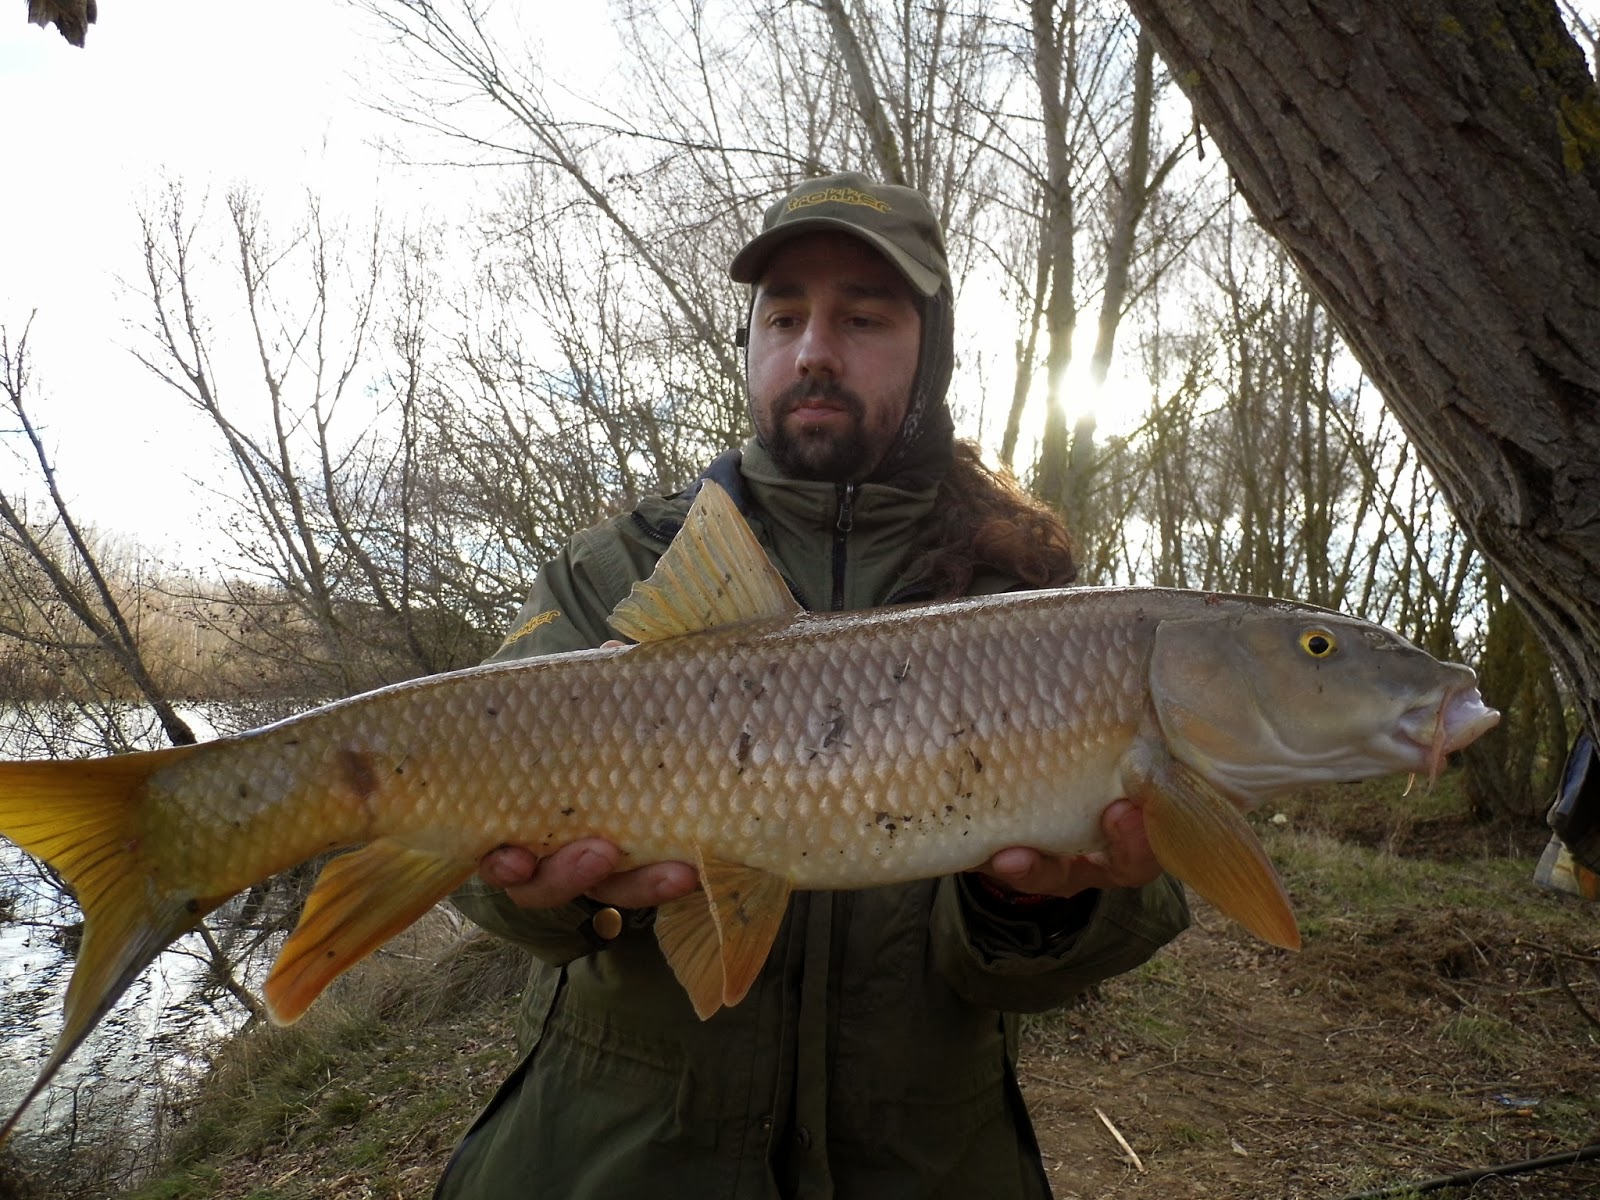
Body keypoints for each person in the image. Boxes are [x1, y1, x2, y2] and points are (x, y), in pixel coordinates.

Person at [433, 172, 1190, 1200]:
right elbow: (480, 874)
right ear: (749, 344)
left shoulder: (1028, 608)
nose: (814, 351)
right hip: (607, 1156)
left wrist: (1031, 910)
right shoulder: (617, 571)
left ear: (933, 352)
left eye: (863, 318)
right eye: (783, 316)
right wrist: (541, 894)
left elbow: (1066, 959)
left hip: (925, 1163)